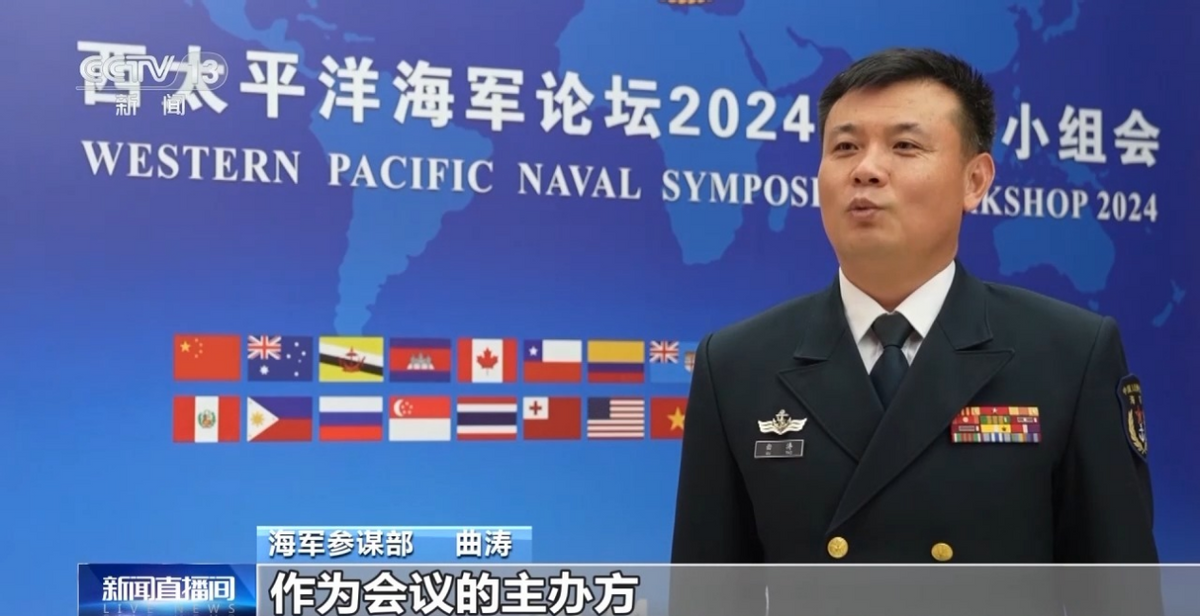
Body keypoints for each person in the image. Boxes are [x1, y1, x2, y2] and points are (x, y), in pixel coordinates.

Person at [668, 47, 1160, 615]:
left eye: (905, 146)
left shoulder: (1069, 354)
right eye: (844, 147)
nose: (866, 169)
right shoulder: (736, 364)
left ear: (975, 180)